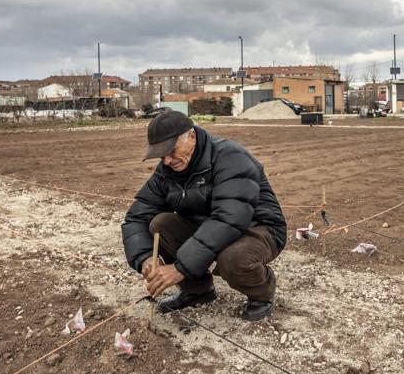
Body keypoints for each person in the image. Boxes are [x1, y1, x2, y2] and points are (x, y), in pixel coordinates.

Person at [121, 110, 286, 321]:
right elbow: (137, 216)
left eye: (171, 151)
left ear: (191, 136)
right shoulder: (167, 170)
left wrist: (180, 268)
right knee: (160, 224)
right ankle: (197, 290)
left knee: (233, 259)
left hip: (258, 228)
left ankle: (262, 293)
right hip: (209, 227)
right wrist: (144, 258)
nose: (167, 160)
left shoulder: (231, 157)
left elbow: (229, 218)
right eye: (161, 154)